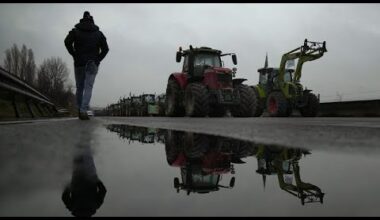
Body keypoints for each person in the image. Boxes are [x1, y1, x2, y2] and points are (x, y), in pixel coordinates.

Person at [64, 11, 109, 120]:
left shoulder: (76, 31)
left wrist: (74, 54)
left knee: (80, 87)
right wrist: (98, 60)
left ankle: (80, 110)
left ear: (82, 19)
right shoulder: (98, 33)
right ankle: (84, 110)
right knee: (88, 87)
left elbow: (67, 41)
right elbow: (106, 49)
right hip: (92, 63)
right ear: (92, 20)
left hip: (79, 62)